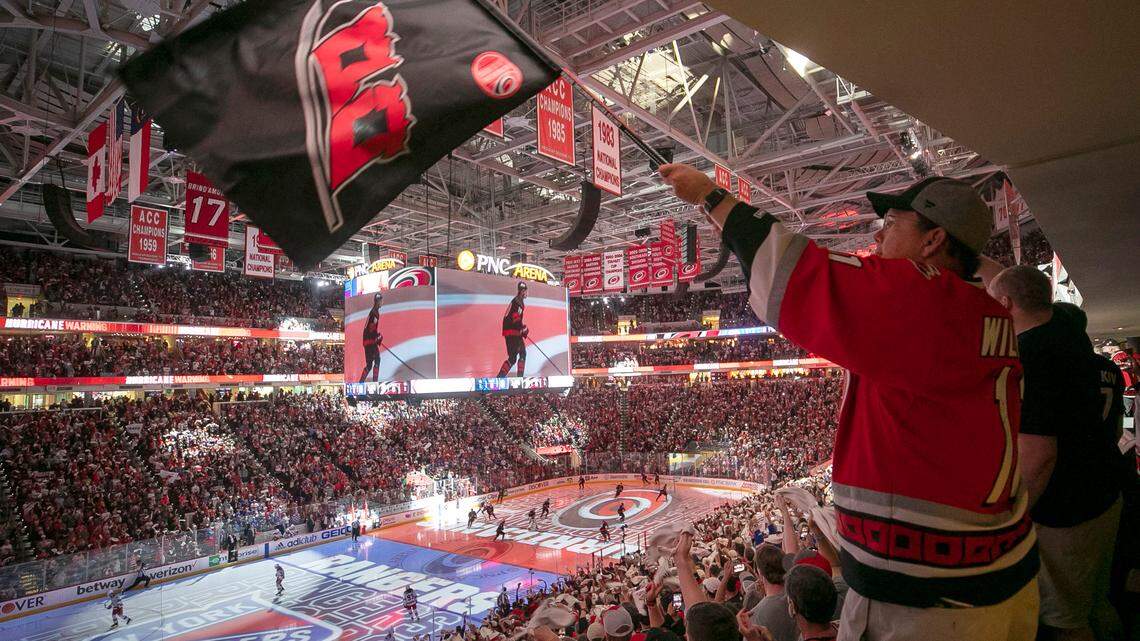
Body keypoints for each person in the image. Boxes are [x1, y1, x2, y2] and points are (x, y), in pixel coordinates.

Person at [660, 165, 1038, 640]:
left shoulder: (925, 301)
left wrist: (707, 196)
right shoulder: (979, 306)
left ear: (933, 241)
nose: (878, 237)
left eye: (893, 224)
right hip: (991, 572)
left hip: (934, 604)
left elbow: (796, 274)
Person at [988, 266, 1127, 640]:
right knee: (1097, 603)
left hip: (1066, 511)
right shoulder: (1078, 347)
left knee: (1066, 621)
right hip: (1105, 493)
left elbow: (1040, 454)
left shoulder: (1030, 356)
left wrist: (1014, 518)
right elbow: (1110, 430)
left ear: (1005, 304)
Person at [496, 282, 528, 377]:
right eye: (526, 291)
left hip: (510, 332)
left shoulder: (516, 301)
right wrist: (522, 329)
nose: (527, 293)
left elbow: (515, 318)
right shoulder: (519, 302)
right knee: (522, 354)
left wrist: (522, 329)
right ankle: (519, 379)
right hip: (513, 332)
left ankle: (500, 378)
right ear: (522, 291)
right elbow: (516, 317)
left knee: (513, 358)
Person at [359, 293, 383, 383]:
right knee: (377, 359)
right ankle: (375, 383)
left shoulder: (373, 311)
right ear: (378, 301)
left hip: (366, 340)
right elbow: (371, 328)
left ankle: (361, 383)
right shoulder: (375, 313)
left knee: (369, 365)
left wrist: (377, 337)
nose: (382, 302)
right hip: (370, 341)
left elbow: (370, 328)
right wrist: (377, 337)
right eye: (381, 301)